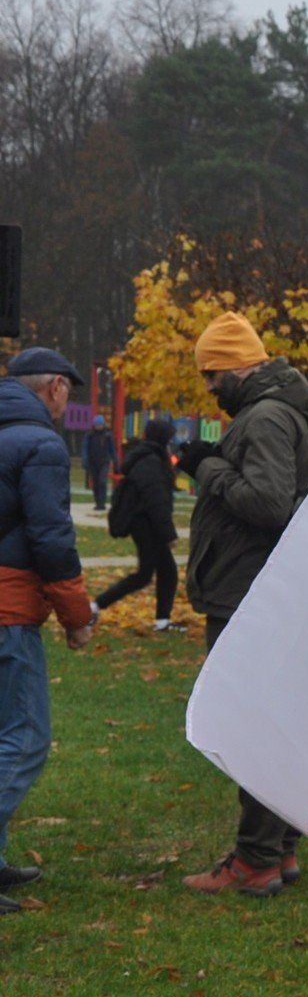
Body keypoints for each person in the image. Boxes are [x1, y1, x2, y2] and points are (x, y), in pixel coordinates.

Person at [178, 312, 308, 897]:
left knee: (254, 727)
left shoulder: (264, 417)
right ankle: (280, 851)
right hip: (262, 589)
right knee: (279, 721)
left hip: (249, 592)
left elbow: (266, 503)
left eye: (214, 374)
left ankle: (255, 860)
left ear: (241, 365)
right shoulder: (278, 413)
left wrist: (207, 467)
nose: (210, 388)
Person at [0, 347, 95, 915]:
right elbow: (53, 541)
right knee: (25, 739)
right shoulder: (40, 446)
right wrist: (77, 617)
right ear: (56, 388)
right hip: (8, 613)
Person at [93, 417, 184, 632]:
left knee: (167, 571)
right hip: (145, 524)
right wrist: (169, 534)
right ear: (163, 439)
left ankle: (162, 621)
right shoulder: (150, 462)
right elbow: (156, 501)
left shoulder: (150, 458)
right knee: (145, 575)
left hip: (145, 523)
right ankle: (95, 606)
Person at [84, 415, 115, 511]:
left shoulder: (107, 435)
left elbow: (112, 449)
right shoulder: (90, 435)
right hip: (93, 462)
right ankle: (98, 502)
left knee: (102, 481)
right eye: (97, 425)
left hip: (104, 461)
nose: (98, 426)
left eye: (100, 425)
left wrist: (115, 461)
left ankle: (102, 502)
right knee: (96, 483)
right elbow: (85, 448)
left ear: (103, 425)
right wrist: (85, 460)